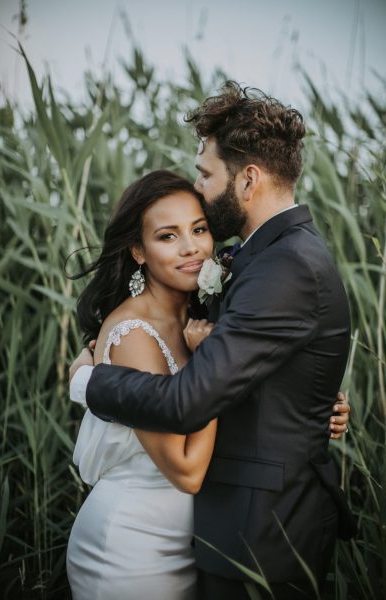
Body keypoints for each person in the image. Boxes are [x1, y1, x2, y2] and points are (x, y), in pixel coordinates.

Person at [69, 83, 353, 600]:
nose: (199, 187)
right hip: (163, 537)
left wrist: (89, 382)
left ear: (247, 179)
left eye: (205, 174)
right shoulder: (255, 259)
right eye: (169, 235)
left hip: (256, 532)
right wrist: (307, 402)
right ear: (139, 250)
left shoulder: (283, 266)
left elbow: (190, 398)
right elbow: (252, 362)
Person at [67, 170, 218, 599]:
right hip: (129, 545)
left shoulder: (203, 315)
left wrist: (317, 410)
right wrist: (211, 366)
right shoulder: (133, 333)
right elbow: (186, 472)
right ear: (138, 250)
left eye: (199, 229)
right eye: (168, 236)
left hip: (187, 544)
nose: (191, 247)